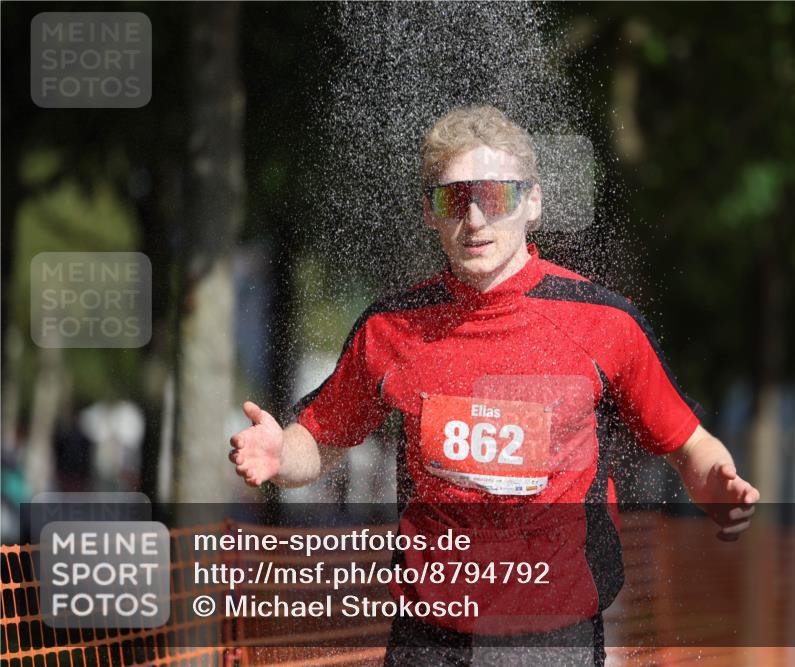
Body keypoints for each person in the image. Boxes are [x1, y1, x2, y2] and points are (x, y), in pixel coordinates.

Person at [229, 105, 760, 666]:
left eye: (496, 196)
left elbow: (688, 443)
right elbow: (320, 439)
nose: (476, 220)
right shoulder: (390, 329)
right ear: (430, 214)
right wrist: (279, 452)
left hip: (553, 636)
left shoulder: (604, 323)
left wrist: (717, 484)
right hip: (427, 636)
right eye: (454, 200)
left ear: (533, 202)